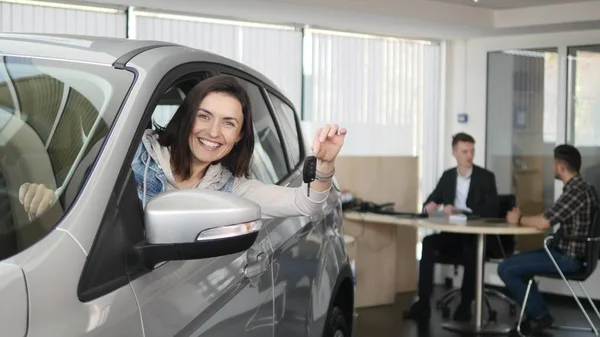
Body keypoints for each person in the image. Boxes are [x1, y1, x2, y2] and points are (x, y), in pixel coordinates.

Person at [18, 75, 347, 220]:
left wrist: (325, 163)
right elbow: (73, 200)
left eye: (228, 123)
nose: (213, 132)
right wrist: (48, 200)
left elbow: (307, 205)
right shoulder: (128, 152)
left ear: (239, 137)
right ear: (187, 117)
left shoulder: (232, 189)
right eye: (204, 116)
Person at [498, 144, 597, 336]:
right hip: (566, 253)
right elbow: (550, 216)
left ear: (560, 167)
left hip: (568, 259)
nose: (551, 167)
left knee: (506, 268)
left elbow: (544, 222)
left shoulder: (575, 192)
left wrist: (518, 219)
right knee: (517, 266)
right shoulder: (583, 188)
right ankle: (535, 315)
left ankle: (540, 316)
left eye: (553, 163)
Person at [404, 132, 499, 322]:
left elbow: (493, 210)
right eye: (464, 151)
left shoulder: (486, 177)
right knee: (428, 243)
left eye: (472, 151)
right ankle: (423, 303)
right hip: (452, 235)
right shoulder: (448, 177)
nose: (469, 156)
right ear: (454, 153)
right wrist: (429, 206)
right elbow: (432, 199)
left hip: (474, 236)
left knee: (472, 250)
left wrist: (461, 211)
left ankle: (465, 304)